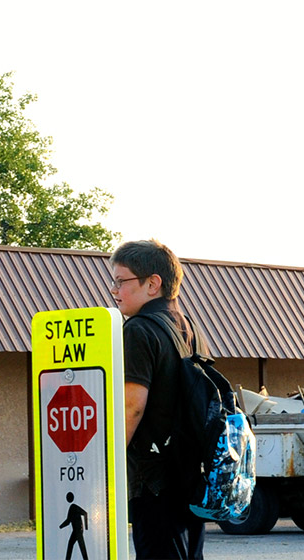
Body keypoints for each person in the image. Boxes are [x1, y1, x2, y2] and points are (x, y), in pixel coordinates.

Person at [109, 239, 206, 559]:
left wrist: (106, 465)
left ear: (153, 284)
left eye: (120, 281)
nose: (114, 290)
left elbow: (131, 405)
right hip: (191, 476)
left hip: (154, 480)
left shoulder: (138, 329)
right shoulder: (190, 329)